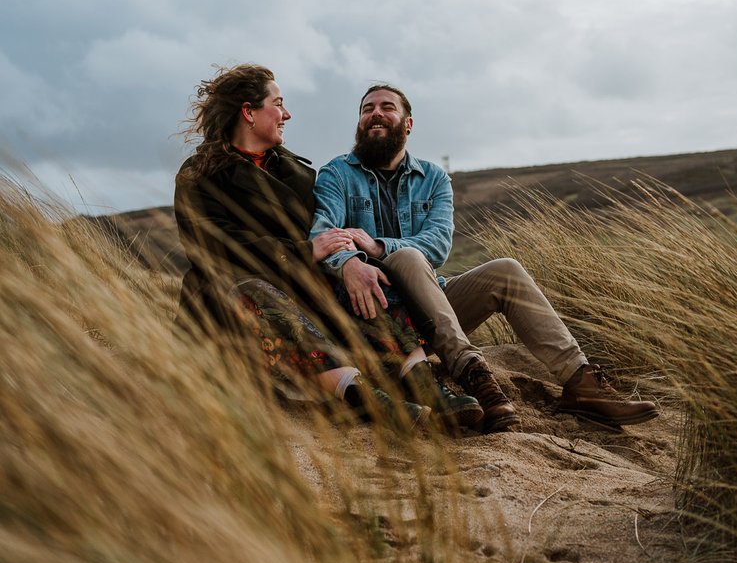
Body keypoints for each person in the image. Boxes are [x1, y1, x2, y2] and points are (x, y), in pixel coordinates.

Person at [310, 83, 658, 431]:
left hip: (431, 306)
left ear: (408, 124)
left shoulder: (432, 178)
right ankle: (476, 376)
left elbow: (437, 244)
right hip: (374, 311)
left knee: (504, 270)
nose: (375, 114)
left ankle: (580, 382)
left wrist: (378, 247)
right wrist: (352, 262)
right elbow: (324, 234)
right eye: (367, 109)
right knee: (410, 257)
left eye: (387, 107)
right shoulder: (337, 173)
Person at [173, 65, 481, 430]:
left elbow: (328, 235)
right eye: (279, 104)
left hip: (306, 293)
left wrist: (353, 265)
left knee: (366, 282)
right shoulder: (200, 173)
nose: (287, 114)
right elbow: (211, 246)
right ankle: (364, 399)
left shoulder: (300, 175)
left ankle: (424, 384)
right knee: (257, 292)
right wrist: (304, 253)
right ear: (249, 112)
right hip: (229, 301)